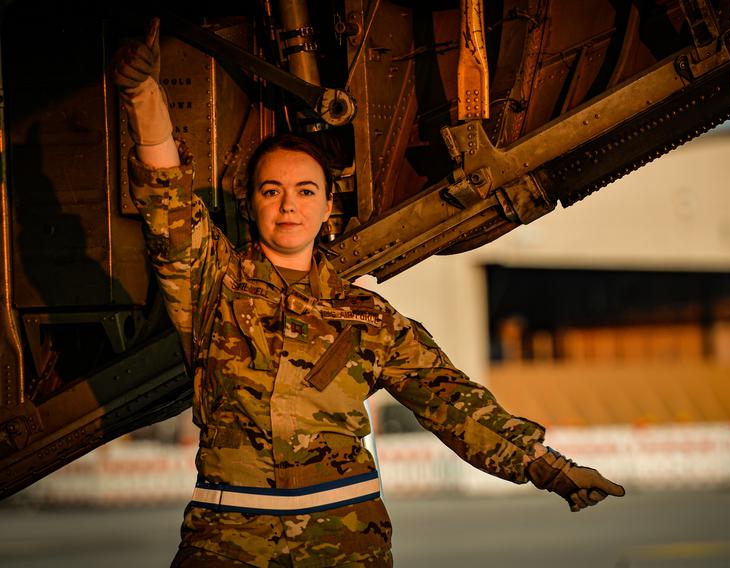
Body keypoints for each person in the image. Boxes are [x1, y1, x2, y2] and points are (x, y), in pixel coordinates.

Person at [114, 18, 625, 568]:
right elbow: (166, 202)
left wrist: (545, 465)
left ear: (327, 207)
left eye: (306, 191)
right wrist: (142, 93)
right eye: (272, 191)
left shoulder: (367, 318)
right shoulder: (213, 283)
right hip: (228, 543)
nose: (289, 205)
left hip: (347, 543)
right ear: (251, 204)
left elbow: (451, 399)